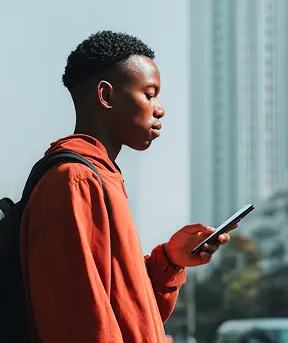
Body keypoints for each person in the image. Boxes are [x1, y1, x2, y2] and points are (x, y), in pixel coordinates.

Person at [20, 31, 235, 343]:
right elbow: (83, 321)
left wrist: (169, 261)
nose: (159, 108)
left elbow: (128, 314)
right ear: (106, 96)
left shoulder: (101, 177)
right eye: (149, 94)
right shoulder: (75, 181)